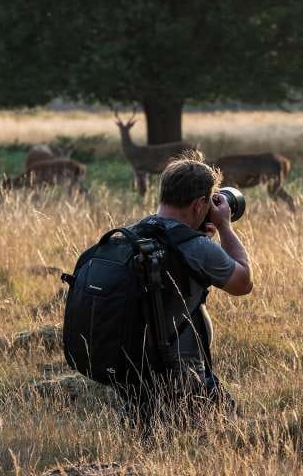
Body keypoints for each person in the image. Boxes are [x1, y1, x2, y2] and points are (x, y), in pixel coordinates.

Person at [122, 151, 253, 424]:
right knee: (233, 435)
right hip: (184, 375)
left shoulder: (132, 236)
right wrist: (225, 226)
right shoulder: (196, 248)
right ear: (198, 205)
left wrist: (197, 235)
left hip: (130, 371)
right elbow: (243, 283)